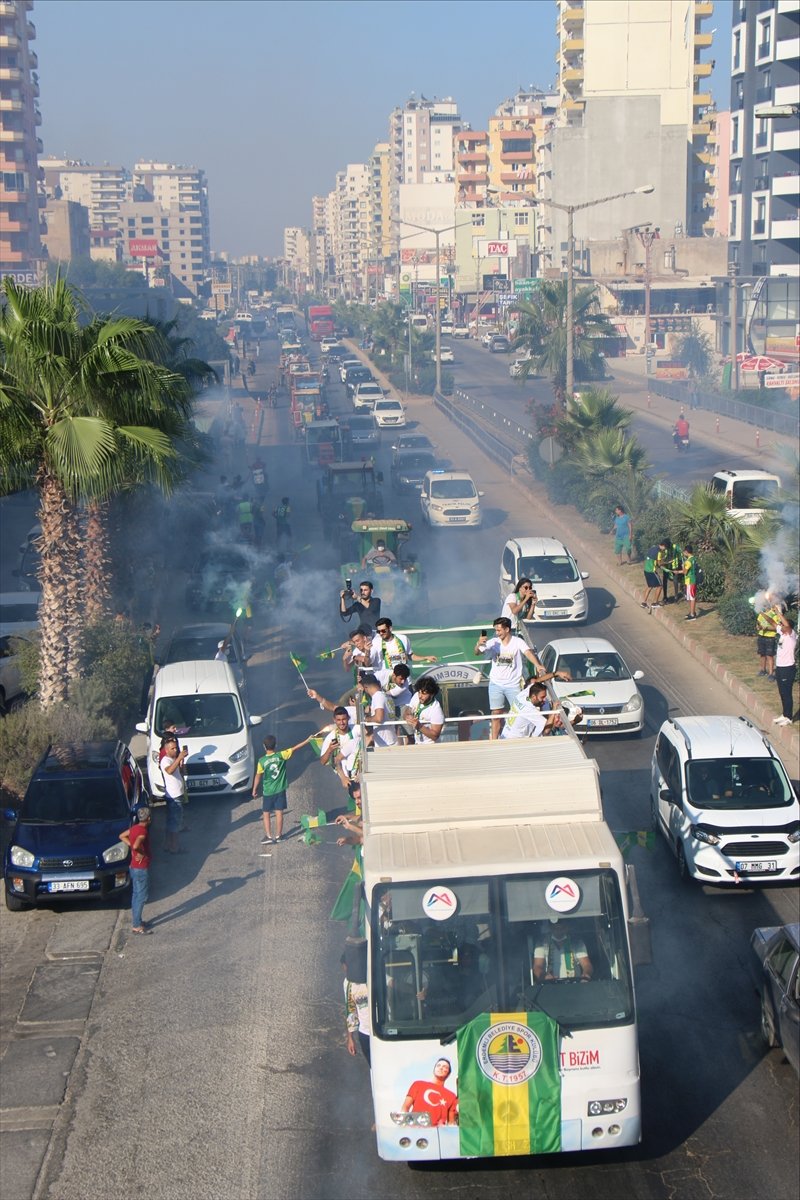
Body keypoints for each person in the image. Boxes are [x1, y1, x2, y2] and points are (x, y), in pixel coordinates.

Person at [476, 617, 545, 739]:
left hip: (513, 685)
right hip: (496, 684)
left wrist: (537, 665)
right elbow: (478, 652)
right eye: (496, 630)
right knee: (496, 714)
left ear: (507, 629)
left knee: (520, 711)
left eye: (499, 630)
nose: (497, 633)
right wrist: (478, 644)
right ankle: (494, 740)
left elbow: (528, 652)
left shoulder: (517, 642)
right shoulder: (494, 642)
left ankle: (524, 735)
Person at [252, 732, 313, 843]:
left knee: (266, 813)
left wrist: (254, 789)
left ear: (264, 747)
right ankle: (279, 836)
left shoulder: (262, 761)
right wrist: (307, 740)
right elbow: (295, 748)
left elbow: (258, 776)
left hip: (268, 791)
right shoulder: (281, 755)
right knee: (279, 812)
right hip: (280, 790)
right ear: (275, 745)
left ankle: (269, 836)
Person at [119, 806, 153, 934]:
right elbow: (137, 844)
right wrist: (139, 851)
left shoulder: (134, 828)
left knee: (136, 894)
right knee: (142, 896)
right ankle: (137, 925)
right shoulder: (143, 832)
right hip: (141, 868)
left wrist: (133, 848)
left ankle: (137, 920)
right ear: (148, 818)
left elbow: (122, 836)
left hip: (133, 866)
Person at [400, 1059, 458, 1126]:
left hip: (437, 1133)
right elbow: (405, 1107)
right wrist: (404, 1126)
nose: (441, 1067)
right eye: (438, 1065)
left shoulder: (452, 1096)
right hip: (415, 1129)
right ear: (434, 1070)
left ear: (448, 1074)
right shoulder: (418, 1084)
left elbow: (451, 1123)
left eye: (445, 1067)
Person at [371, 618, 436, 675]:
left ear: (390, 629)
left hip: (405, 679)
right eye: (378, 631)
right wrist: (367, 652)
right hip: (388, 680)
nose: (381, 633)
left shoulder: (403, 638)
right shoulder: (376, 642)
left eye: (383, 631)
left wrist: (425, 657)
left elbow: (411, 656)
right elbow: (368, 662)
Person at [319, 707, 363, 789]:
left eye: (344, 719)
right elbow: (323, 761)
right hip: (346, 778)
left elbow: (369, 736)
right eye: (338, 720)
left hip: (360, 772)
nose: (341, 723)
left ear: (348, 718)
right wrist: (329, 750)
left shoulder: (356, 729)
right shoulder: (330, 738)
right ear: (334, 720)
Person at [344, 938, 371, 1064]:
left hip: (381, 1032)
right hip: (365, 1032)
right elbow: (351, 1010)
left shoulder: (372, 975)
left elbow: (393, 984)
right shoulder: (348, 984)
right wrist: (351, 1038)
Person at [160, 735, 188, 854]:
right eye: (172, 749)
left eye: (176, 748)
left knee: (173, 822)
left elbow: (178, 772)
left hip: (178, 795)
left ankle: (168, 845)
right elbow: (169, 771)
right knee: (175, 824)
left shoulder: (174, 759)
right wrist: (179, 758)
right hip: (174, 797)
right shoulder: (165, 760)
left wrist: (181, 763)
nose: (175, 750)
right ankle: (174, 847)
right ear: (166, 750)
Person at [770, 613, 797, 727]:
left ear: (789, 627)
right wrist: (762, 612)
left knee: (787, 693)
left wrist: (777, 611)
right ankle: (784, 714)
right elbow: (773, 623)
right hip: (780, 667)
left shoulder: (792, 635)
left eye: (783, 625)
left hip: (788, 668)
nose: (780, 626)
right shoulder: (782, 633)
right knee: (782, 692)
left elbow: (785, 624)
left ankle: (789, 717)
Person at [404, 676, 445, 744]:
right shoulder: (416, 696)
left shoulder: (436, 710)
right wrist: (408, 716)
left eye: (424, 693)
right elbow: (407, 711)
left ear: (432, 694)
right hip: (417, 743)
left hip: (431, 745)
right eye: (419, 692)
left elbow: (435, 735)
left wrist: (419, 726)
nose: (420, 696)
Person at [756, 599, 782, 679]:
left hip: (770, 637)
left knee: (769, 655)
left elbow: (777, 627)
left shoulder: (774, 614)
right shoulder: (761, 614)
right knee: (762, 654)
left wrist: (766, 628)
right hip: (761, 636)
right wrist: (758, 627)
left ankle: (771, 673)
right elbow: (758, 624)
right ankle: (763, 670)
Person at [675, 543, 698, 620]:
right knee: (690, 597)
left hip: (690, 581)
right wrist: (678, 572)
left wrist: (682, 566)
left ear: (687, 552)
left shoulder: (688, 561)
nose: (684, 553)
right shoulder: (693, 559)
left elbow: (685, 572)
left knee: (692, 598)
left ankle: (692, 615)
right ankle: (691, 612)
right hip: (691, 580)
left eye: (684, 552)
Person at [657, 538, 682, 604]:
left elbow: (680, 556)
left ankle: (676, 597)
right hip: (666, 566)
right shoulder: (664, 548)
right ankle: (665, 596)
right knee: (664, 581)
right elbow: (661, 556)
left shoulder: (676, 547)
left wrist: (681, 564)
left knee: (675, 580)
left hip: (674, 565)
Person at [641, 544, 663, 610]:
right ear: (664, 546)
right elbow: (659, 564)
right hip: (651, 571)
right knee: (660, 586)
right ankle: (655, 603)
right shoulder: (658, 552)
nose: (664, 549)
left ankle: (644, 603)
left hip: (646, 570)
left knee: (650, 586)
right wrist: (665, 563)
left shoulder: (652, 547)